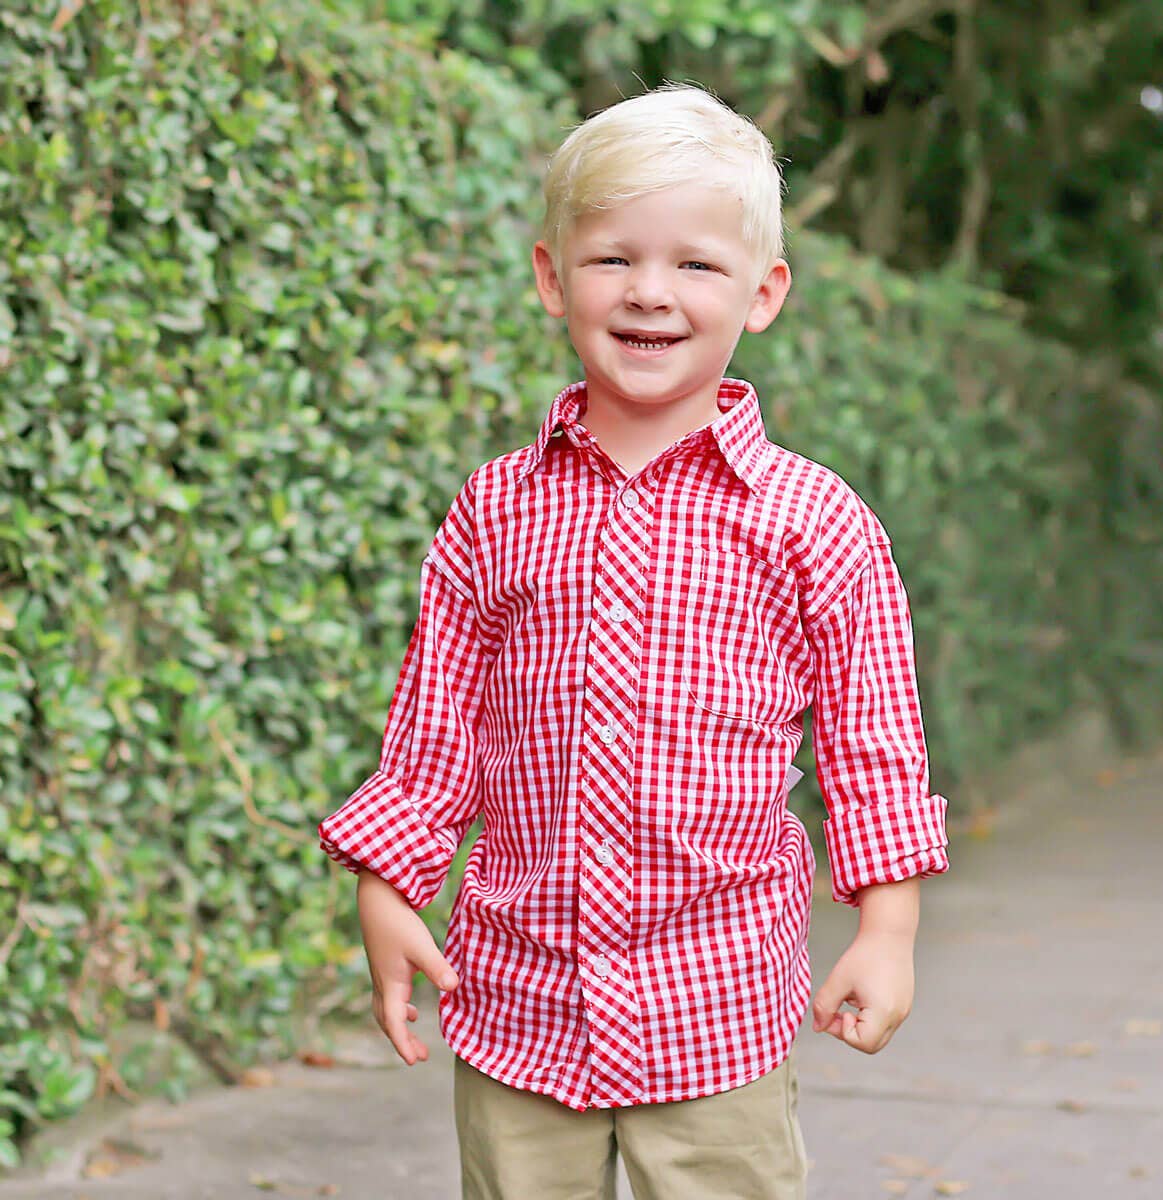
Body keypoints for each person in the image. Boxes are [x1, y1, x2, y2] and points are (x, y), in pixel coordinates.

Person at [317, 82, 949, 1200]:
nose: (651, 291)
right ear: (553, 278)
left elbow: (874, 745)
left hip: (718, 1004)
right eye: (613, 258)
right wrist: (387, 887)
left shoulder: (815, 523)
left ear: (764, 292)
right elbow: (436, 726)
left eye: (697, 264)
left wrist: (886, 933)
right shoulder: (497, 509)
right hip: (521, 1000)